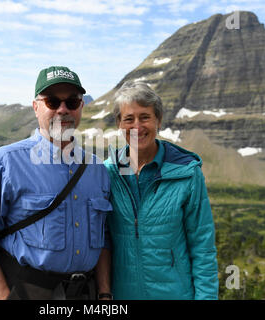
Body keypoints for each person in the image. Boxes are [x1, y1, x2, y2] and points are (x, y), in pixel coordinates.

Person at [0, 66, 113, 300]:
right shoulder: (4, 162)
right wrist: (1, 297)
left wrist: (104, 293)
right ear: (36, 107)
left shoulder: (98, 169)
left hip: (85, 294)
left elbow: (104, 237)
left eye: (72, 102)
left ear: (81, 106)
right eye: (52, 101)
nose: (63, 109)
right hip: (28, 292)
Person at [104, 80, 218, 300]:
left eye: (145, 117)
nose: (137, 127)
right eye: (129, 119)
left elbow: (203, 249)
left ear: (158, 120)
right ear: (119, 123)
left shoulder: (187, 174)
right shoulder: (108, 173)